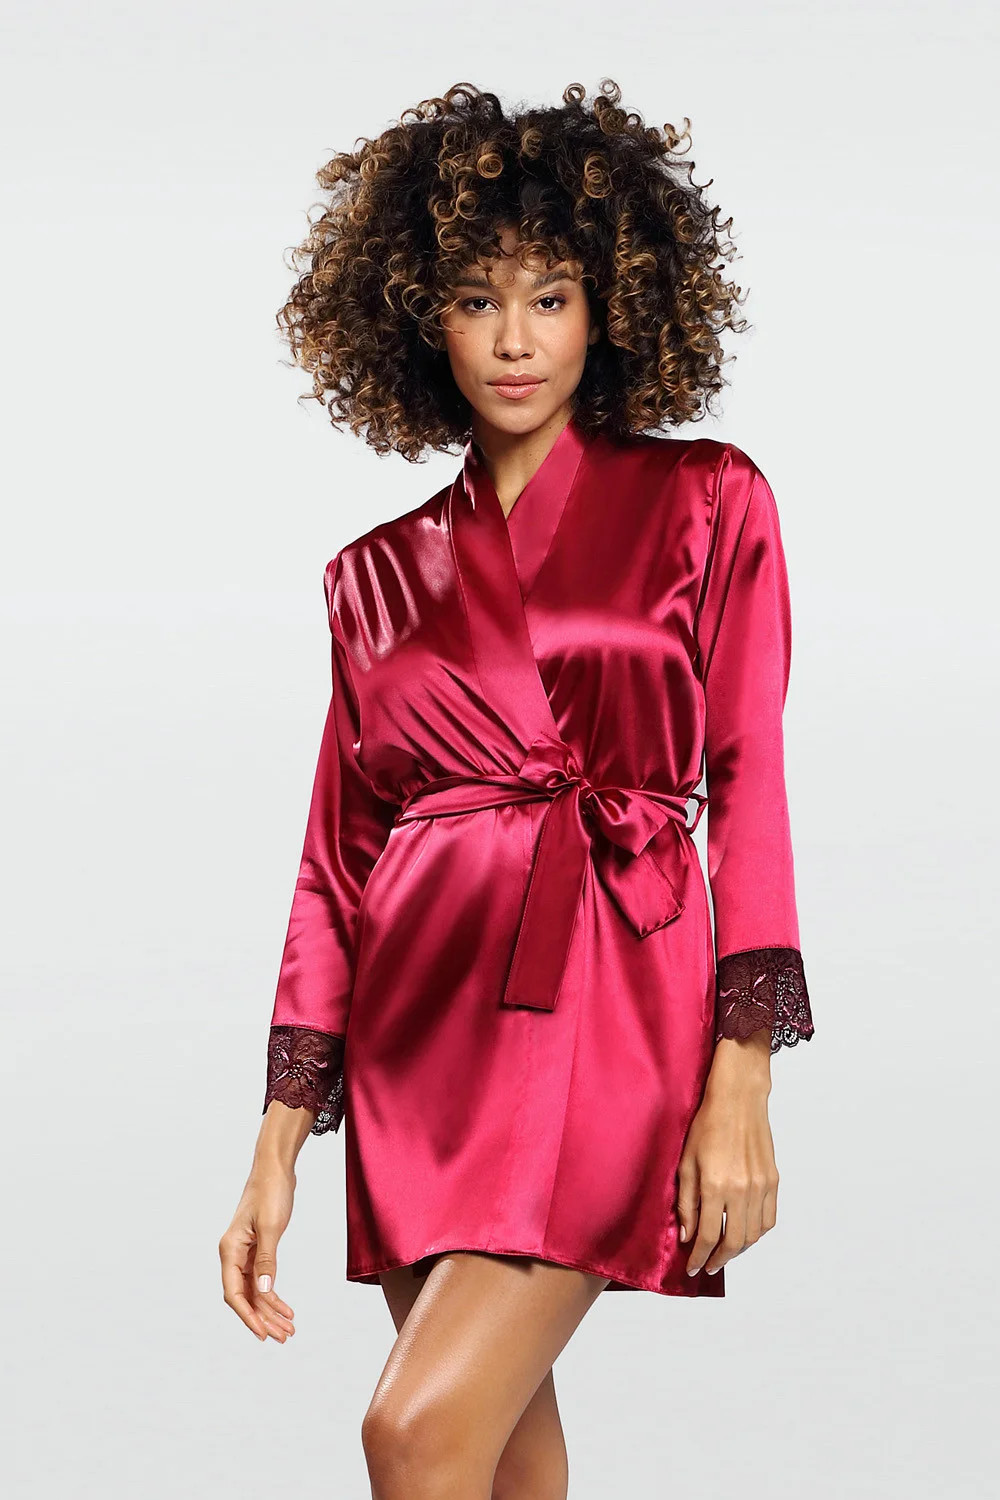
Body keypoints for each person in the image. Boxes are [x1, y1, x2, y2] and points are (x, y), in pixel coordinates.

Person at [220, 78, 814, 1499]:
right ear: (418, 317)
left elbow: (750, 780)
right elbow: (333, 864)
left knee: (413, 1433)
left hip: (613, 991)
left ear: (609, 304)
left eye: (550, 298)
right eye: (476, 301)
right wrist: (277, 1145)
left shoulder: (709, 498)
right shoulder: (372, 576)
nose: (514, 340)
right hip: (417, 1031)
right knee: (494, 1461)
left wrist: (743, 1071)